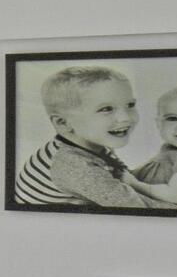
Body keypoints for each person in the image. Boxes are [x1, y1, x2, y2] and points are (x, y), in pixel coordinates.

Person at [14, 65, 142, 209]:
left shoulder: (89, 144)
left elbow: (123, 177)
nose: (125, 118)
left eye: (130, 104)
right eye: (106, 109)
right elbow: (137, 208)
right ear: (63, 123)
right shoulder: (75, 166)